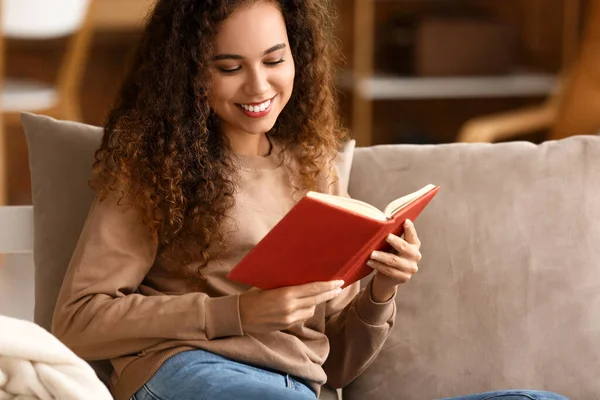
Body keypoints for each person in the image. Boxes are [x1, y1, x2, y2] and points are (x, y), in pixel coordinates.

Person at [51, 1, 569, 400]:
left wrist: (381, 290)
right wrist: (236, 314)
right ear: (188, 73)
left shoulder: (313, 168)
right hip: (189, 369)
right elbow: (77, 321)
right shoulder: (151, 166)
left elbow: (337, 363)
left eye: (275, 60)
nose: (259, 85)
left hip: (295, 386)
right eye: (229, 67)